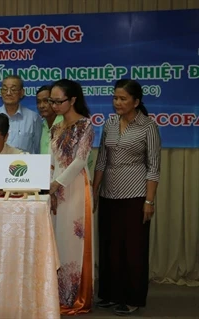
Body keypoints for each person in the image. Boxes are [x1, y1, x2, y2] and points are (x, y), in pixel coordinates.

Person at [93, 79, 161, 316]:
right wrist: (94, 191)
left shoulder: (148, 126)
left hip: (135, 195)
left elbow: (153, 166)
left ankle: (132, 298)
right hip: (109, 193)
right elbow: (101, 160)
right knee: (109, 246)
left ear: (136, 101)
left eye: (122, 98)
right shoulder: (109, 123)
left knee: (133, 248)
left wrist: (149, 201)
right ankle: (110, 294)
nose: (117, 102)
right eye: (115, 98)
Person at [48, 79, 94, 315]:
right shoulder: (55, 127)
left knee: (74, 242)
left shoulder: (85, 125)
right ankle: (56, 295)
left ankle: (75, 296)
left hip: (75, 189)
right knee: (57, 240)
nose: (54, 106)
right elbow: (52, 160)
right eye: (51, 101)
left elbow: (80, 161)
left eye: (59, 101)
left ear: (73, 100)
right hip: (55, 191)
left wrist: (57, 184)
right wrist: (49, 187)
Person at [0, 75, 41, 153]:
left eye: (13, 89)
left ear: (22, 93)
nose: (8, 93)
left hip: (24, 164)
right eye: (5, 89)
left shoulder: (33, 118)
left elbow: (38, 149)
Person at [36, 85, 63, 154]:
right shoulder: (41, 126)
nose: (41, 106)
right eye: (38, 102)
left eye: (46, 101)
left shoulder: (66, 124)